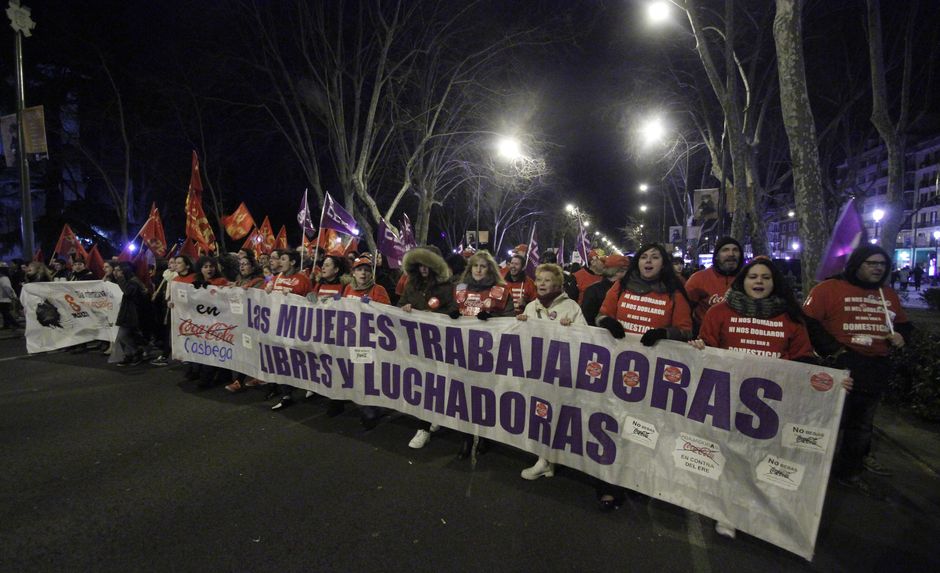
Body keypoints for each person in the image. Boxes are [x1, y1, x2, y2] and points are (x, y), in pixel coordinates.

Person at [689, 257, 854, 538]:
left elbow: (802, 359)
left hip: (773, 405)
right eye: (753, 276)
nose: (759, 282)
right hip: (729, 398)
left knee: (761, 458)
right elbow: (709, 347)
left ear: (774, 283)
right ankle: (727, 513)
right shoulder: (719, 312)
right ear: (743, 281)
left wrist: (831, 381)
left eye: (766, 277)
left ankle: (756, 511)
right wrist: (697, 347)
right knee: (731, 457)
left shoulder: (790, 318)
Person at [803, 244, 912, 496]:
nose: (878, 268)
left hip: (874, 368)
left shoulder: (887, 294)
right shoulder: (828, 289)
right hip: (840, 365)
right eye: (871, 263)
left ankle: (848, 472)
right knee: (826, 422)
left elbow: (904, 325)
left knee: (861, 425)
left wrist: (901, 336)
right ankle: (812, 471)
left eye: (882, 264)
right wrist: (834, 351)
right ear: (856, 264)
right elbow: (808, 323)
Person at [594, 243, 692, 510]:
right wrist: (608, 322)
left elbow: (686, 329)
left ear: (663, 263)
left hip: (653, 374)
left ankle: (637, 480)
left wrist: (664, 333)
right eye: (644, 257)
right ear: (637, 262)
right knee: (614, 424)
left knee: (643, 428)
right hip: (619, 369)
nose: (648, 261)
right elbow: (601, 315)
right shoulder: (621, 286)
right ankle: (610, 483)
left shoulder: (674, 292)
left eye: (655, 257)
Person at [516, 263, 586, 479]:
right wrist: (521, 324)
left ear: (557, 284)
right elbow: (521, 339)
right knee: (540, 411)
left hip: (560, 370)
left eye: (547, 280)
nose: (542, 284)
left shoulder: (571, 307)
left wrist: (573, 328)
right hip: (537, 370)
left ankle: (549, 459)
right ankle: (545, 459)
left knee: (557, 413)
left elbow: (586, 337)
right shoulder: (531, 307)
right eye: (539, 280)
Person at [451, 250, 514, 459]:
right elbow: (448, 312)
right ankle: (466, 439)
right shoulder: (460, 289)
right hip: (463, 352)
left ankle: (486, 437)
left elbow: (510, 320)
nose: (478, 270)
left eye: (483, 266)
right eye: (475, 266)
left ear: (490, 269)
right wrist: (451, 314)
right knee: (464, 397)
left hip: (489, 354)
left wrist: (494, 318)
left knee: (487, 397)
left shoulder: (500, 291)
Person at [398, 247, 457, 449]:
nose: (423, 268)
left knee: (435, 385)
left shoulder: (446, 287)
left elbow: (454, 310)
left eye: (427, 264)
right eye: (420, 264)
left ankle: (428, 424)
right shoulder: (411, 284)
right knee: (422, 385)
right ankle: (425, 425)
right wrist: (405, 308)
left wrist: (439, 315)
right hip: (417, 344)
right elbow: (401, 303)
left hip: (439, 345)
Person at [684, 237, 743, 332]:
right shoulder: (699, 279)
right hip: (705, 335)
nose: (731, 254)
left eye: (735, 250)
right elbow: (683, 309)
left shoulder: (748, 279)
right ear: (716, 256)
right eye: (725, 250)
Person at [112, 261, 148, 366]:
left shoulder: (133, 282)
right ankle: (129, 355)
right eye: (115, 270)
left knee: (122, 336)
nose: (116, 272)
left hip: (133, 314)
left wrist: (120, 278)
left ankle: (137, 351)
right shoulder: (129, 281)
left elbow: (127, 292)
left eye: (118, 270)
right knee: (127, 336)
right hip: (127, 313)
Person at [580, 254, 629, 326]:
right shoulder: (594, 291)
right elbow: (587, 319)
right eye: (627, 270)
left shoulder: (593, 289)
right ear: (618, 272)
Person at [0, 262, 19, 330]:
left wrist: (12, 296)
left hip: (4, 298)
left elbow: (7, 288)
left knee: (5, 313)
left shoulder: (4, 278)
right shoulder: (3, 278)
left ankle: (15, 324)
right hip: (3, 298)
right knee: (4, 312)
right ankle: (7, 325)